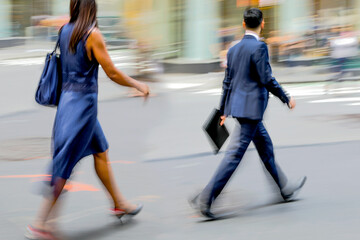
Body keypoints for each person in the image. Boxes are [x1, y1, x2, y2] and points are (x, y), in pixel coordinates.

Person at [26, 0, 149, 238]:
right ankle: (41, 223)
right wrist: (138, 84)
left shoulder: (65, 30)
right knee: (64, 164)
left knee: (100, 151)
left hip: (68, 103)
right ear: (92, 8)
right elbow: (112, 72)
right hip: (83, 108)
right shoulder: (92, 35)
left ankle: (118, 203)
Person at [191, 8, 306, 219]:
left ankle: (285, 189)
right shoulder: (260, 47)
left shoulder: (233, 49)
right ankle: (206, 198)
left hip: (241, 109)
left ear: (244, 24)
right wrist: (286, 97)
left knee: (266, 149)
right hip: (252, 111)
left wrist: (223, 110)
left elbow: (227, 82)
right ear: (262, 24)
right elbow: (266, 79)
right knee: (234, 156)